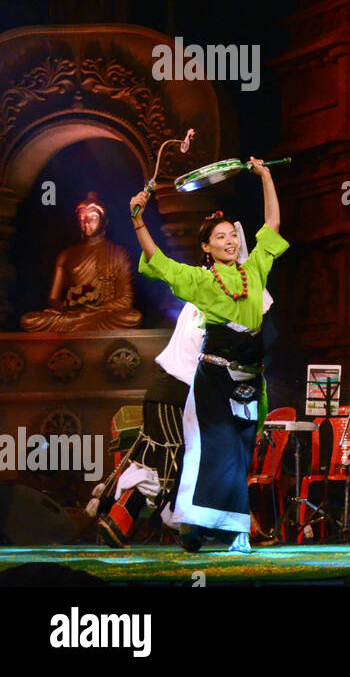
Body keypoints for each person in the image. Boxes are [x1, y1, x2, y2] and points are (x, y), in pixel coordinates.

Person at [129, 160, 285, 553]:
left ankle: (208, 526)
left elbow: (273, 226)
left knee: (241, 453)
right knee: (216, 450)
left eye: (233, 234)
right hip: (214, 377)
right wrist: (138, 221)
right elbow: (160, 264)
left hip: (250, 378)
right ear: (206, 247)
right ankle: (214, 527)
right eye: (221, 236)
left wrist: (265, 177)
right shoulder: (199, 280)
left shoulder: (255, 271)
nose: (231, 240)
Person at [91, 225, 276, 547]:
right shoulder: (215, 302)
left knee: (177, 463)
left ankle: (191, 529)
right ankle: (140, 522)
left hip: (178, 392)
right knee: (174, 462)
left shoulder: (212, 296)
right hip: (178, 391)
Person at [22, 192, 143, 332]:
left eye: (93, 217)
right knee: (29, 320)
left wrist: (95, 310)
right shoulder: (66, 255)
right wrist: (70, 309)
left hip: (102, 315)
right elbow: (54, 298)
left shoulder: (119, 253)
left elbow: (127, 299)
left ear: (105, 221)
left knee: (133, 317)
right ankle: (78, 323)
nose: (87, 222)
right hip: (71, 315)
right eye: (82, 218)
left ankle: (78, 324)